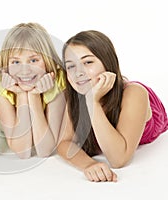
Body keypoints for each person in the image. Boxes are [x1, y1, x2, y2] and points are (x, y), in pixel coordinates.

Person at [57, 30, 168, 182]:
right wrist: (89, 164)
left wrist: (93, 102)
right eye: (70, 66)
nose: (78, 73)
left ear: (107, 61)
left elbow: (118, 159)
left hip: (147, 112)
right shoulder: (72, 94)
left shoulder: (134, 94)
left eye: (88, 62)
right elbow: (64, 142)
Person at [0, 22, 67, 159]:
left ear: (48, 60)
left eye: (33, 60)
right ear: (6, 64)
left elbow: (45, 150)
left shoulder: (58, 79)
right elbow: (23, 152)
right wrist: (20, 94)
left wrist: (34, 96)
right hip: (9, 145)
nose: (25, 70)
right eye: (16, 62)